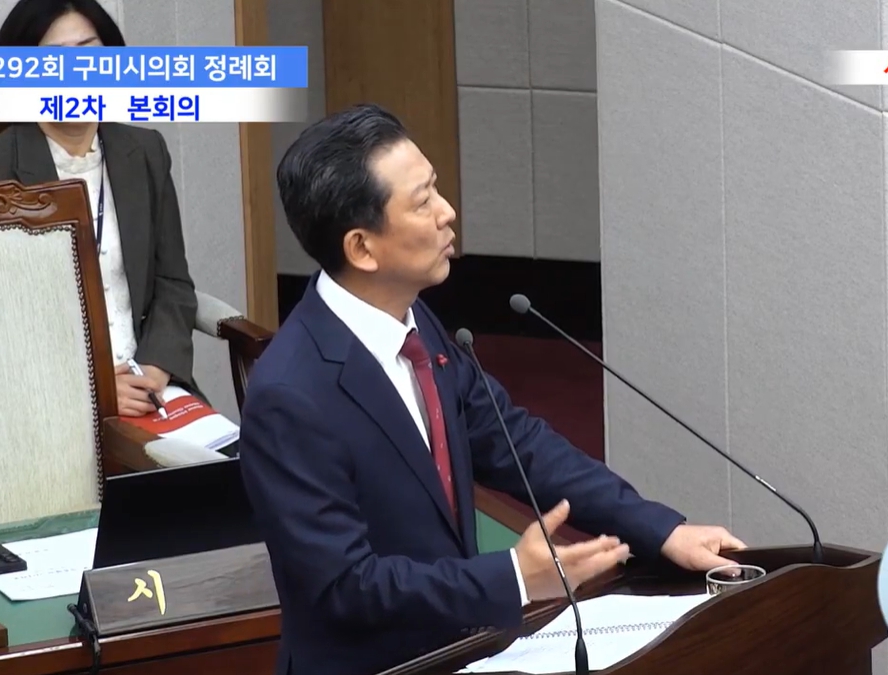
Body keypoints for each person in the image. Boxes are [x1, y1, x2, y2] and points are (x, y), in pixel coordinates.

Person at [239, 103, 747, 675]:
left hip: (460, 651)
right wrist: (513, 578)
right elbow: (344, 587)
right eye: (423, 202)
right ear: (362, 248)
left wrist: (660, 528)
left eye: (436, 188)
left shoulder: (416, 320)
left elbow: (516, 443)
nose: (447, 212)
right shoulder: (289, 395)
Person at [0, 0, 199, 417]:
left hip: (149, 385)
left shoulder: (146, 151)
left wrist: (155, 369)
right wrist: (95, 387)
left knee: (224, 456)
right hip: (55, 400)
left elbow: (172, 281)